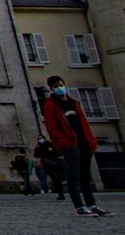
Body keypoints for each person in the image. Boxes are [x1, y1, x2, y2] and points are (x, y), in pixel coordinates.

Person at [43, 75, 110, 217]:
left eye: (61, 85)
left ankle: (92, 205)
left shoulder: (74, 103)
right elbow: (52, 128)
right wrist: (63, 143)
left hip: (84, 142)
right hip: (70, 144)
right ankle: (79, 206)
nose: (59, 88)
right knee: (73, 176)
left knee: (86, 175)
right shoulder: (51, 106)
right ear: (51, 89)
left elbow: (83, 124)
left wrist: (91, 141)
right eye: (56, 86)